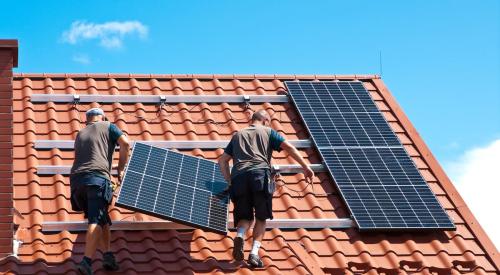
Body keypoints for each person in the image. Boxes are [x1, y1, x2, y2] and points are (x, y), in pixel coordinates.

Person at [218, 109, 314, 268]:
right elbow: (289, 147)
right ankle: (254, 254)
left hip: (239, 178)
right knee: (261, 217)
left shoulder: (237, 135)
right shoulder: (268, 132)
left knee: (245, 216)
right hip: (259, 176)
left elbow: (222, 161)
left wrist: (229, 181)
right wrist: (305, 167)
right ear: (264, 121)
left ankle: (240, 235)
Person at [70, 107, 130, 275]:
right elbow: (125, 144)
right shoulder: (108, 126)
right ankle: (86, 261)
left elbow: (91, 159)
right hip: (96, 181)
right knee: (95, 220)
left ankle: (108, 256)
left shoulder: (80, 134)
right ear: (103, 118)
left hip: (76, 183)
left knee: (102, 217)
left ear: (87, 121)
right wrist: (122, 169)